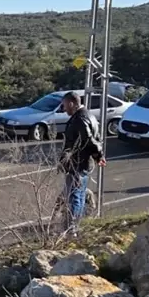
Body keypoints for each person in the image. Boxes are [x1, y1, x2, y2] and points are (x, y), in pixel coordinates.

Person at [59, 92, 106, 233]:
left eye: (65, 105)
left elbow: (88, 140)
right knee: (78, 194)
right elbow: (95, 138)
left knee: (74, 196)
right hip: (83, 163)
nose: (64, 108)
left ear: (72, 103)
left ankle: (71, 229)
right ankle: (74, 226)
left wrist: (98, 155)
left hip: (78, 163)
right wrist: (98, 156)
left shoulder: (80, 119)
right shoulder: (88, 115)